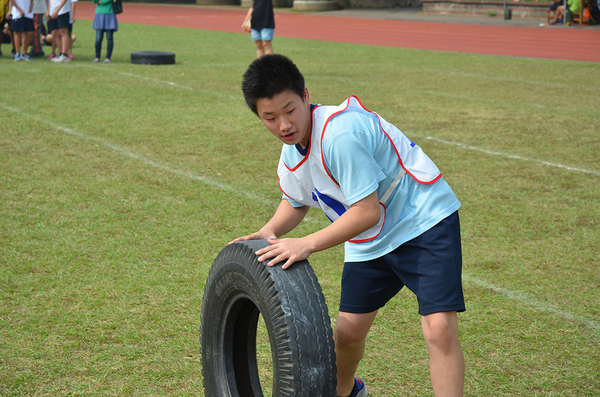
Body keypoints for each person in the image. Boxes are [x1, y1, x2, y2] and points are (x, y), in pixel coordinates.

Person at [233, 54, 466, 397]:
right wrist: (271, 231)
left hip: (422, 220)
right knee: (347, 334)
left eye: (290, 110)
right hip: (370, 238)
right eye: (270, 117)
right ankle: (347, 392)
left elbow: (367, 211)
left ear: (306, 96)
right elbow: (296, 201)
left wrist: (306, 243)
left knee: (439, 329)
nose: (284, 124)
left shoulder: (339, 133)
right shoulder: (291, 152)